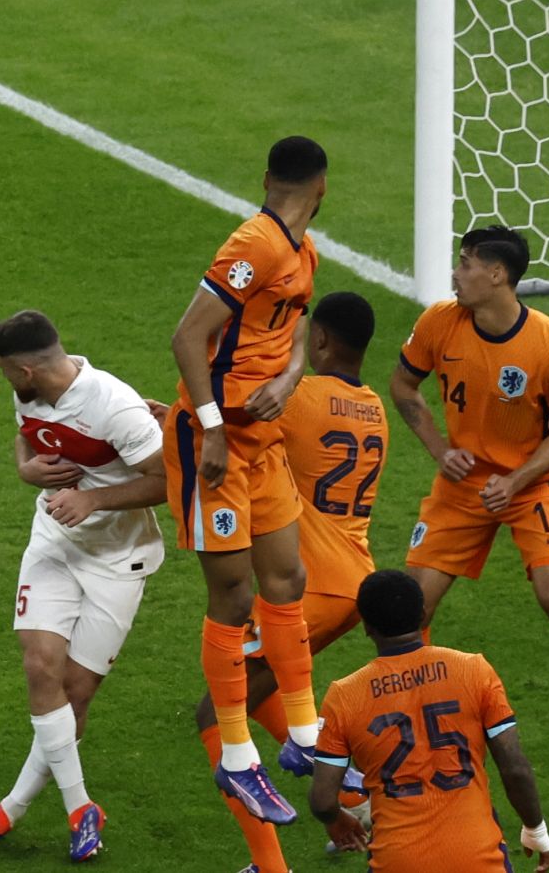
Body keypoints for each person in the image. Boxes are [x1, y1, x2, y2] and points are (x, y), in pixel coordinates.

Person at [390, 224, 549, 773]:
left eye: (465, 263)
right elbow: (403, 386)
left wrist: (518, 480)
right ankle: (423, 725)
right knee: (410, 611)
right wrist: (438, 450)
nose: (455, 273)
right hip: (462, 485)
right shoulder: (438, 322)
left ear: (497, 275)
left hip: (530, 485)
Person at [0, 311, 167, 864]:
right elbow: (27, 440)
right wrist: (26, 470)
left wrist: (93, 499)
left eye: (4, 370)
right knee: (39, 666)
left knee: (75, 695)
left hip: (118, 559)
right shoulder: (34, 392)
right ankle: (79, 808)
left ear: (25, 369)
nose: (3, 379)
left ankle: (12, 808)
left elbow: (169, 480)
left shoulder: (114, 406)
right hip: (53, 543)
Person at [163, 136, 328, 824]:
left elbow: (294, 332)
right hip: (215, 439)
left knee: (286, 581)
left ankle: (306, 734)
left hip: (261, 439)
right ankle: (238, 758)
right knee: (232, 597)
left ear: (268, 178)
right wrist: (216, 429)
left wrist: (289, 380)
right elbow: (185, 337)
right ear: (324, 187)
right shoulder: (253, 245)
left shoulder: (304, 251)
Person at [193, 291, 383, 873]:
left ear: (317, 340)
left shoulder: (296, 399)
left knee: (213, 714)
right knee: (267, 686)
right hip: (352, 581)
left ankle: (271, 867)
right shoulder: (371, 407)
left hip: (309, 589)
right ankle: (353, 795)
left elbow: (225, 453)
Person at [310, 570, 549, 872]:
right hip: (477, 857)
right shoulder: (473, 671)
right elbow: (514, 768)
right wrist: (535, 830)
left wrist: (337, 819)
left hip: (397, 861)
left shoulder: (344, 696)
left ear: (366, 626)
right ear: (423, 613)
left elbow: (322, 800)